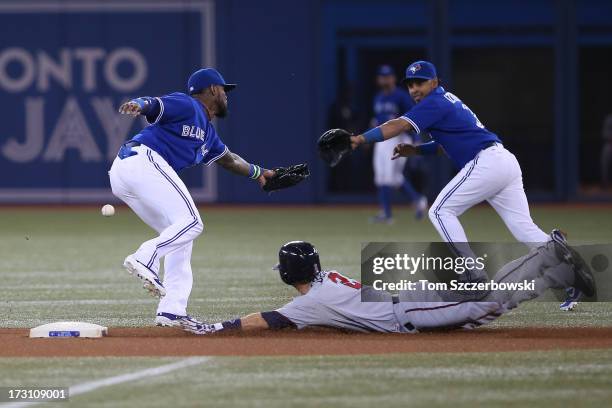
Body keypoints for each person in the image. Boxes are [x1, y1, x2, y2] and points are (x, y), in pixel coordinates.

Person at [349, 60, 580, 311]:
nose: (415, 89)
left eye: (421, 82)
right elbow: (446, 143)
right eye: (411, 84)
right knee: (524, 229)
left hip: (488, 162)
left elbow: (398, 125)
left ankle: (473, 274)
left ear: (434, 82)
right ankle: (569, 274)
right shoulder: (445, 100)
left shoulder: (433, 103)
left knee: (439, 211)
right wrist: (416, 151)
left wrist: (360, 139)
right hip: (504, 162)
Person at [109, 68, 276, 327]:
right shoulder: (188, 105)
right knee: (193, 223)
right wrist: (139, 104)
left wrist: (260, 174)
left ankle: (171, 311)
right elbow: (154, 104)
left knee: (179, 234)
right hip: (142, 161)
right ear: (212, 89)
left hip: (127, 173)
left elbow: (230, 160)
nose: (226, 95)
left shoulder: (208, 133)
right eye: (224, 90)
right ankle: (145, 257)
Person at [180, 235, 594, 334]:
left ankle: (550, 261)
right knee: (480, 305)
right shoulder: (326, 281)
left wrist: (220, 327)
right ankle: (553, 266)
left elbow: (267, 320)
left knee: (484, 304)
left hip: (406, 309)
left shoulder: (309, 304)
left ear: (288, 274)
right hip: (404, 293)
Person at [370, 65, 427, 224]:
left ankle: (387, 215)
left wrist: (416, 139)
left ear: (393, 78)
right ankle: (418, 201)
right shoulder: (378, 97)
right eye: (382, 76)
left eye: (387, 76)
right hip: (382, 139)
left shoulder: (401, 96)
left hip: (398, 138)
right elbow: (377, 120)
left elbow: (412, 118)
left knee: (389, 177)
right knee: (384, 178)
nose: (385, 79)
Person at [601, 113, 612, 189]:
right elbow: (604, 134)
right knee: (605, 156)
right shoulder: (609, 119)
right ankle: (605, 184)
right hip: (610, 144)